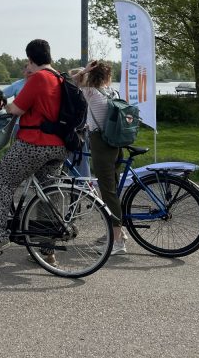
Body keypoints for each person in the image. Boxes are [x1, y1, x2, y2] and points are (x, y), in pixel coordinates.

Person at [0, 39, 67, 259]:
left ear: (30, 58)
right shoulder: (59, 77)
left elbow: (16, 108)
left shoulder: (38, 78)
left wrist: (5, 108)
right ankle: (47, 250)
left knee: (0, 179)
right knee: (47, 193)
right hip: (59, 144)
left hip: (34, 143)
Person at [72, 60, 128, 255]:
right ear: (107, 76)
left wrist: (84, 71)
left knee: (107, 192)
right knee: (112, 189)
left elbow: (69, 82)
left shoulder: (91, 93)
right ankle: (118, 232)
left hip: (101, 144)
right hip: (116, 144)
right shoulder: (113, 93)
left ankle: (117, 242)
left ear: (92, 75)